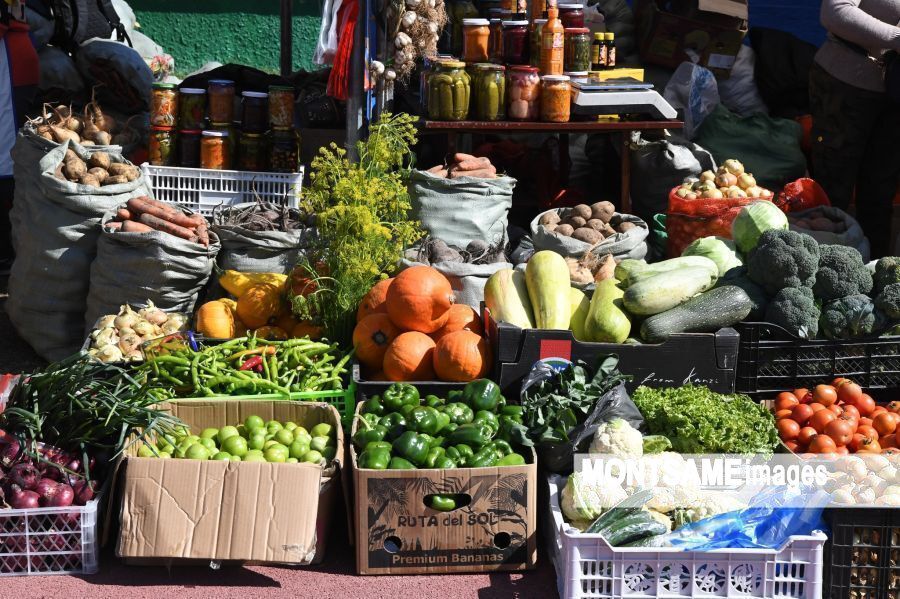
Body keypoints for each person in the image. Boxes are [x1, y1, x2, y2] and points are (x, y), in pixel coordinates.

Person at [809, 0, 900, 259]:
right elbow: (834, 12)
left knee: (880, 195)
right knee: (832, 190)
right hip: (845, 85)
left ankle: (876, 273)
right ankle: (821, 271)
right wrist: (896, 38)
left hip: (894, 97)